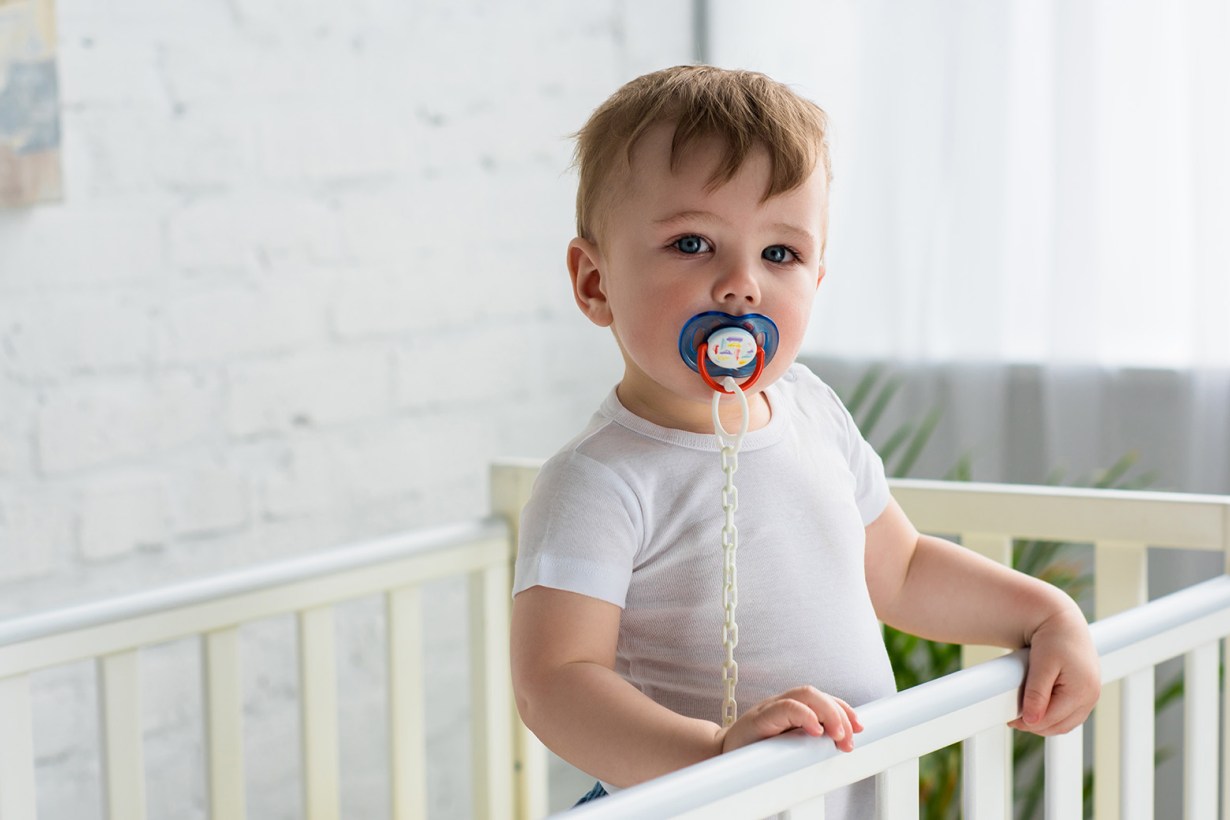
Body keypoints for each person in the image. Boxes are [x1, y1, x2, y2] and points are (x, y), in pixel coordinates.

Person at [509, 65, 1100, 815]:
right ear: (595, 282)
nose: (741, 285)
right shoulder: (599, 479)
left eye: (780, 254)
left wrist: (1046, 614)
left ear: (817, 279)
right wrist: (715, 755)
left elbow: (904, 570)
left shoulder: (811, 409)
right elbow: (556, 681)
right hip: (693, 801)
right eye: (692, 242)